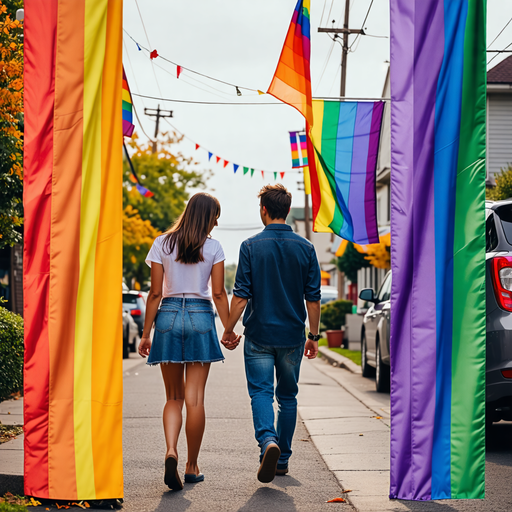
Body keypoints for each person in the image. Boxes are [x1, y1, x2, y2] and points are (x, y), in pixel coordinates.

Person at [139, 192, 240, 491]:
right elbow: (220, 293)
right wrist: (228, 329)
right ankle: (192, 466)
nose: (217, 222)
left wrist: (146, 333)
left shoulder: (162, 243)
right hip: (199, 317)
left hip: (168, 315)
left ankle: (171, 450)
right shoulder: (214, 247)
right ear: (206, 217)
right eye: (215, 216)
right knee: (194, 398)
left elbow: (155, 293)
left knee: (173, 397)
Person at [221, 184, 321, 484]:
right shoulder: (306, 247)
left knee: (261, 392)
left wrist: (228, 329)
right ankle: (283, 460)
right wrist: (313, 336)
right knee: (288, 396)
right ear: (288, 210)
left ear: (263, 210)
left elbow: (240, 296)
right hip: (291, 336)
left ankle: (268, 442)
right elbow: (313, 298)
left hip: (259, 336)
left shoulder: (250, 246)